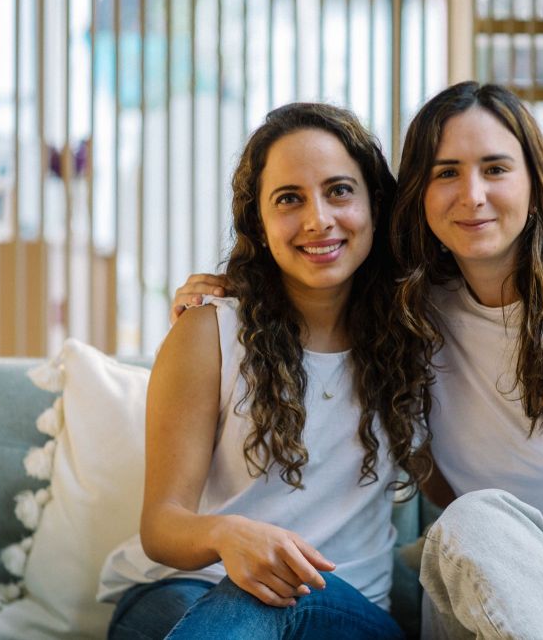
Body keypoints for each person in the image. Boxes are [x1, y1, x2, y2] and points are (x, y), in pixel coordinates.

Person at [171, 82, 543, 640]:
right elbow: (325, 259)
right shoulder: (416, 299)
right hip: (483, 577)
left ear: (534, 181)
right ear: (418, 191)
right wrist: (238, 285)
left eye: (495, 168)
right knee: (472, 523)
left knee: (475, 518)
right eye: (447, 172)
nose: (472, 195)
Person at [99, 102, 431, 640]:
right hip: (186, 591)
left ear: (376, 203)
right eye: (289, 199)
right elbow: (160, 526)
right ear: (259, 220)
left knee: (277, 598)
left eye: (339, 190)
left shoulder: (416, 337)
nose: (317, 218)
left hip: (344, 612)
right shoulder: (211, 332)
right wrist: (229, 535)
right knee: (242, 598)